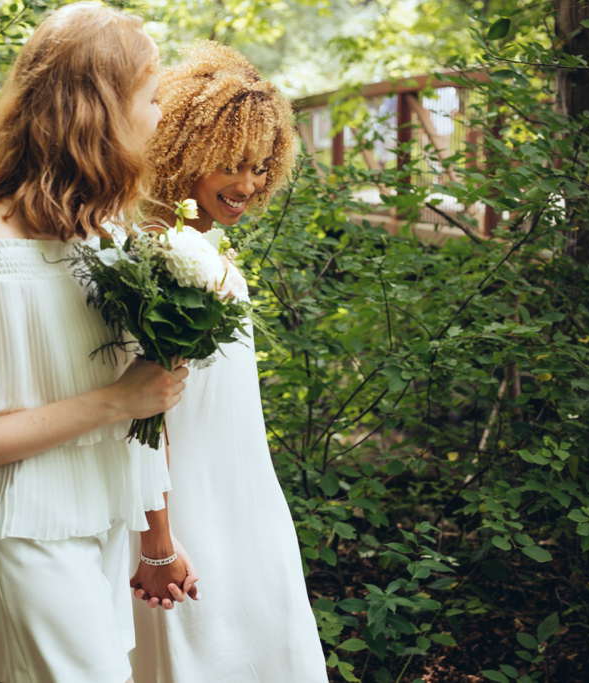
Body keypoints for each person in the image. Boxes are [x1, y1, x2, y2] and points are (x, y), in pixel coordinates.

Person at [0, 5, 192, 682]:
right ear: (101, 113)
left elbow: (139, 403)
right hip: (27, 533)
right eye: (151, 100)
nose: (160, 118)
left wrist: (156, 536)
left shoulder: (101, 232)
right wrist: (115, 401)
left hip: (98, 513)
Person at [127, 41, 329, 682]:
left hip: (242, 492)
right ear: (185, 153)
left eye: (262, 166)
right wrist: (157, 536)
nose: (249, 185)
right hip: (192, 506)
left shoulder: (193, 246)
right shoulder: (166, 259)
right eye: (230, 166)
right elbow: (143, 410)